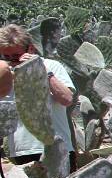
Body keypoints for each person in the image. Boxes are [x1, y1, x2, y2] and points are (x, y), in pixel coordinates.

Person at [0, 24, 76, 166]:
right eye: (6, 56)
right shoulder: (4, 74)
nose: (12, 60)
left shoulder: (52, 66)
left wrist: (40, 69)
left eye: (16, 56)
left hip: (57, 147)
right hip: (20, 151)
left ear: (30, 49)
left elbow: (67, 99)